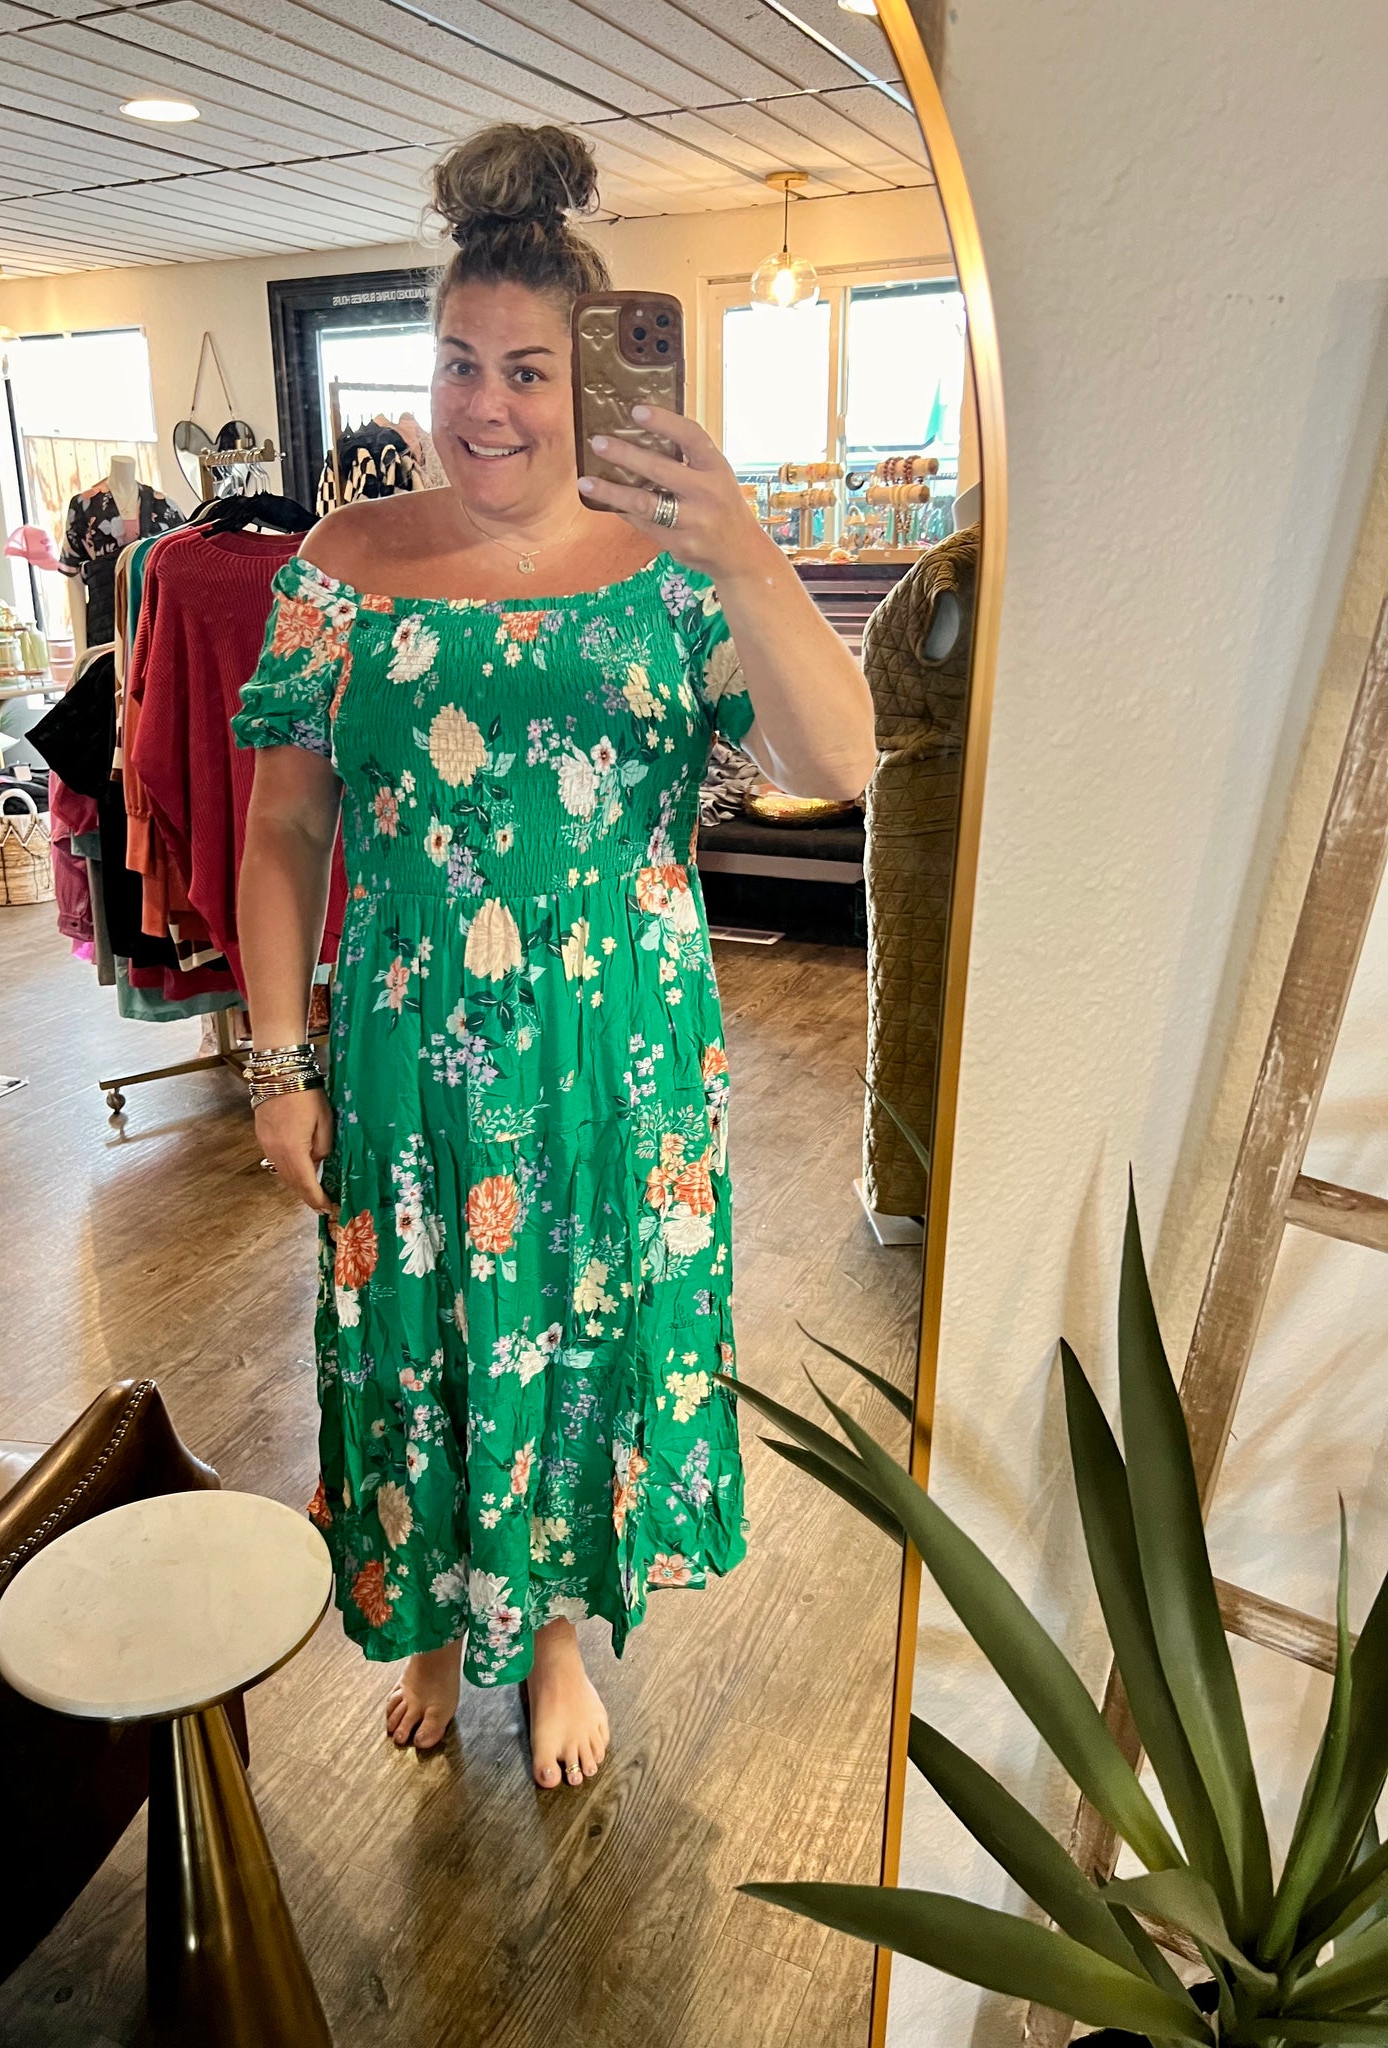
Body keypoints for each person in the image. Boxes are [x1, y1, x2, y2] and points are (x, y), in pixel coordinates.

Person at [233, 122, 875, 1791]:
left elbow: (842, 757)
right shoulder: (339, 568)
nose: (487, 406)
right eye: (458, 362)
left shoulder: (676, 564)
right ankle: (438, 1627)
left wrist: (744, 546)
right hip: (405, 1048)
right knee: (418, 1335)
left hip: (620, 1055)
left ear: (589, 380)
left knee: (586, 1331)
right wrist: (278, 1063)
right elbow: (285, 830)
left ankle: (562, 1638)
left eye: (528, 370)